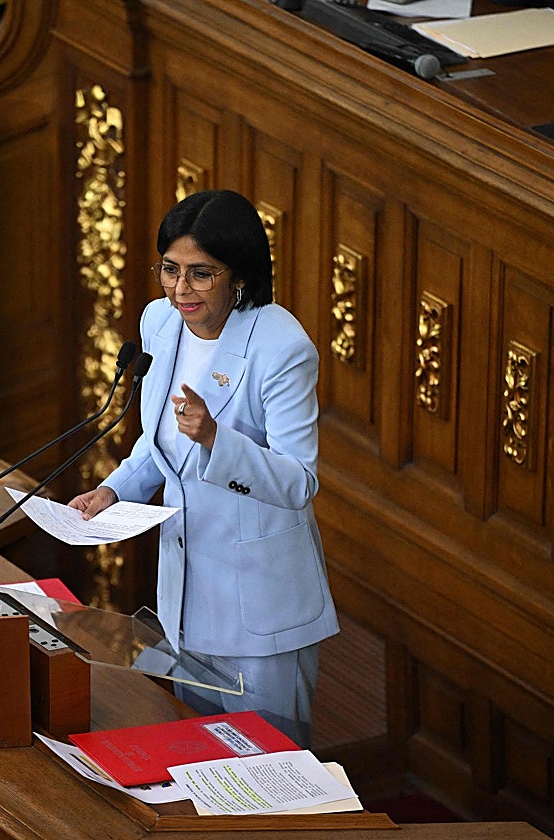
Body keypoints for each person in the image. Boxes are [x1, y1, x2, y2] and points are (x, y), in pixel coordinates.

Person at [68, 190, 338, 747]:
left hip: (259, 613)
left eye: (200, 274)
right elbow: (160, 445)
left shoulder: (282, 348)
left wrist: (217, 439)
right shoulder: (160, 323)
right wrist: (113, 492)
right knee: (198, 754)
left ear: (237, 274)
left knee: (266, 766)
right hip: (184, 600)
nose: (180, 290)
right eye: (170, 269)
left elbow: (299, 481)